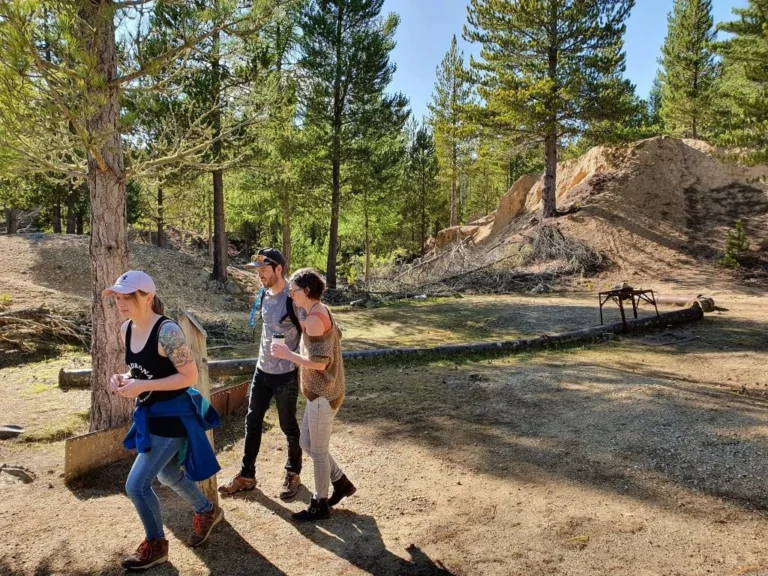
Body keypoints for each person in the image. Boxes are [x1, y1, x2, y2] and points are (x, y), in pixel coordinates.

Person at [105, 270, 222, 571]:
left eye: (127, 296)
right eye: (118, 296)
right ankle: (207, 510)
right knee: (168, 476)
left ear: (148, 297)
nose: (121, 302)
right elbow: (142, 370)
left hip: (174, 417)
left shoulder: (167, 332)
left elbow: (189, 377)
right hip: (150, 415)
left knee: (136, 486)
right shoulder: (126, 330)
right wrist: (124, 378)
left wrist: (142, 386)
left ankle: (156, 545)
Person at [271, 268, 356, 521]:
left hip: (324, 392)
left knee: (318, 451)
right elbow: (335, 336)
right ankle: (341, 482)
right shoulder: (314, 310)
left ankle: (320, 503)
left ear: (306, 292)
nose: (290, 294)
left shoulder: (317, 318)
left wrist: (288, 355)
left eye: (294, 291)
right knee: (307, 444)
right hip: (319, 392)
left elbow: (320, 363)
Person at [218, 248, 303, 499]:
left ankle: (293, 473)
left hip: (286, 373)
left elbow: (310, 332)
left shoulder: (293, 298)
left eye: (263, 270)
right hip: (261, 370)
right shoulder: (265, 294)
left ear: (279, 269)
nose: (259, 276)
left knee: (288, 425)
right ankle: (246, 475)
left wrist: (299, 359)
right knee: (252, 422)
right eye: (257, 271)